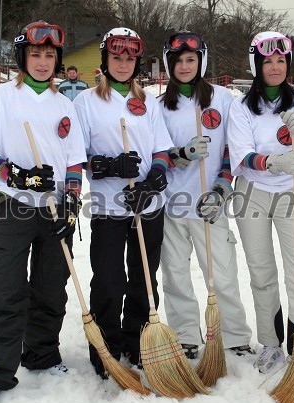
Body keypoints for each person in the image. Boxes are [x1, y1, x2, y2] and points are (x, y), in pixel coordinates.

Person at [0, 21, 87, 403]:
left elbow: (73, 162)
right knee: (7, 290)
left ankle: (42, 354)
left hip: (54, 210)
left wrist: (71, 201)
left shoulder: (65, 104)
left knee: (51, 287)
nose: (42, 61)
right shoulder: (0, 98)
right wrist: (16, 175)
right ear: (23, 57)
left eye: (49, 55)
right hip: (13, 209)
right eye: (35, 54)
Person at [73, 27, 174, 378]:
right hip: (108, 208)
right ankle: (107, 347)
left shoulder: (148, 102)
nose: (122, 64)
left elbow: (161, 150)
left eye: (129, 58)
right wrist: (107, 165)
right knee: (108, 280)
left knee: (145, 280)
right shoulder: (85, 102)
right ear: (105, 60)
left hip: (147, 206)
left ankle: (139, 341)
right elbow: (77, 154)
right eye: (116, 57)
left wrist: (153, 180)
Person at [227, 32, 294, 380]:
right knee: (262, 272)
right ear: (257, 64)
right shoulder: (241, 106)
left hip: (291, 192)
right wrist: (272, 163)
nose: (275, 67)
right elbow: (243, 154)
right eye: (268, 61)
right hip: (252, 192)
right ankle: (271, 342)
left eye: (281, 60)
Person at [158, 31, 253, 359]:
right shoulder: (159, 107)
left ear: (201, 61)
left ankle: (235, 335)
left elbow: (232, 149)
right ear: (169, 65)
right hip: (173, 204)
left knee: (223, 274)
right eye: (178, 61)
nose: (184, 66)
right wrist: (179, 155)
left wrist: (222, 189)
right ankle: (186, 334)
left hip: (209, 204)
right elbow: (155, 156)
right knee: (175, 276)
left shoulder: (223, 99)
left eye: (190, 60)